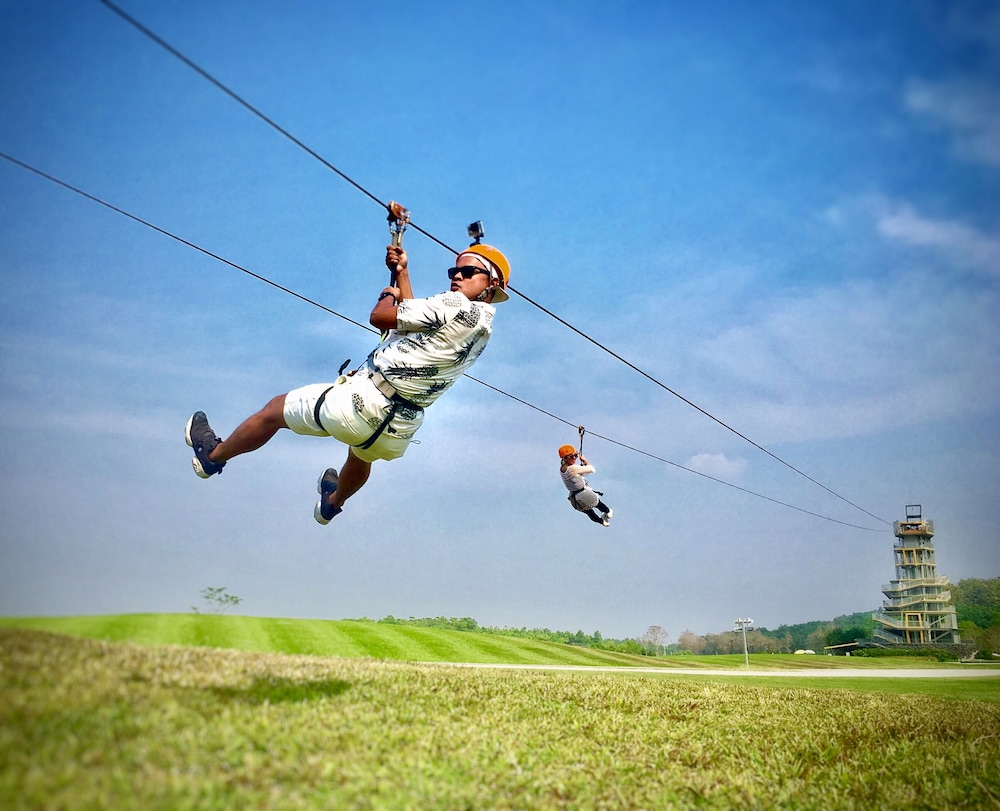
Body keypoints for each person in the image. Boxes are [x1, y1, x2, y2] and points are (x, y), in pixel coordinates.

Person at [185, 240, 510, 524]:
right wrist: (403, 273)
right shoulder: (483, 329)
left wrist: (388, 296)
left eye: (468, 272)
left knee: (273, 411)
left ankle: (213, 457)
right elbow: (413, 322)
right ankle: (332, 504)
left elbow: (381, 318)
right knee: (363, 453)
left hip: (357, 406)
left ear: (491, 282)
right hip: (397, 431)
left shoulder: (453, 304)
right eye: (454, 271)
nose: (456, 276)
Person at [558, 445, 613, 526]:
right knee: (598, 503)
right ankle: (608, 512)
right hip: (583, 493)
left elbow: (579, 475)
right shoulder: (573, 468)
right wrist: (584, 460)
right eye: (571, 456)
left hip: (574, 498)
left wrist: (575, 456)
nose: (574, 458)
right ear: (565, 458)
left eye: (575, 455)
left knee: (589, 512)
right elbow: (592, 469)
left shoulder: (562, 469)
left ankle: (602, 522)